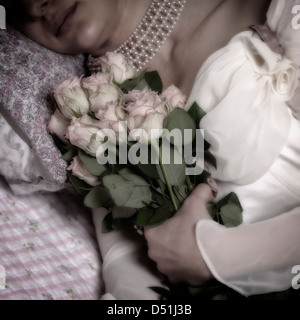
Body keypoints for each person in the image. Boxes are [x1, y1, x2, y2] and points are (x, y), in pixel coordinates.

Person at [5, 0, 300, 298]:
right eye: (12, 6)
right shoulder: (92, 129)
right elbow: (127, 277)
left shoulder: (275, 8)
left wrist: (213, 255)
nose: (34, 6)